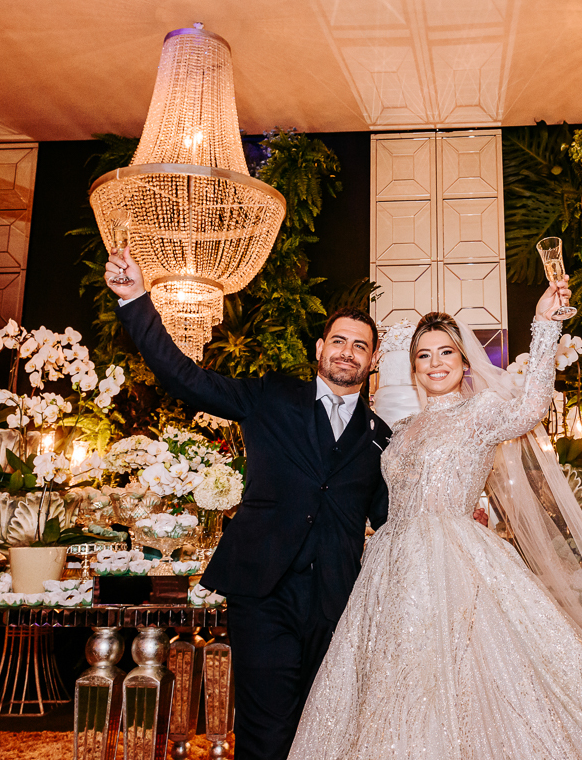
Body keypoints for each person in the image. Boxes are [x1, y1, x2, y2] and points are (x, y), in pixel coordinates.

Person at [286, 282, 582, 760]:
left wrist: (546, 326)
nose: (436, 363)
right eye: (424, 355)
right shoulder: (401, 430)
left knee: (466, 671)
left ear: (465, 362)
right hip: (390, 566)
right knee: (390, 675)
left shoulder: (480, 413)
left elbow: (531, 406)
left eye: (446, 352)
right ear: (413, 369)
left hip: (453, 559)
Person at [104, 247, 392, 760]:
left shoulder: (380, 437)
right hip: (263, 592)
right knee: (266, 732)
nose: (348, 352)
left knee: (322, 728)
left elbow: (392, 520)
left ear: (374, 361)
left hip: (336, 602)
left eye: (361, 346)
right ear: (320, 347)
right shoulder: (270, 396)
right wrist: (136, 301)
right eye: (340, 341)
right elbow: (185, 377)